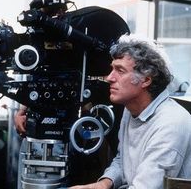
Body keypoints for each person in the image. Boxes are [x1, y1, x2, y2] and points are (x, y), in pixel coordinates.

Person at [69, 37, 191, 189]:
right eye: (112, 69)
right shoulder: (131, 109)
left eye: (120, 70)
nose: (109, 78)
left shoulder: (171, 123)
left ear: (146, 80)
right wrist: (103, 184)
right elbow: (123, 160)